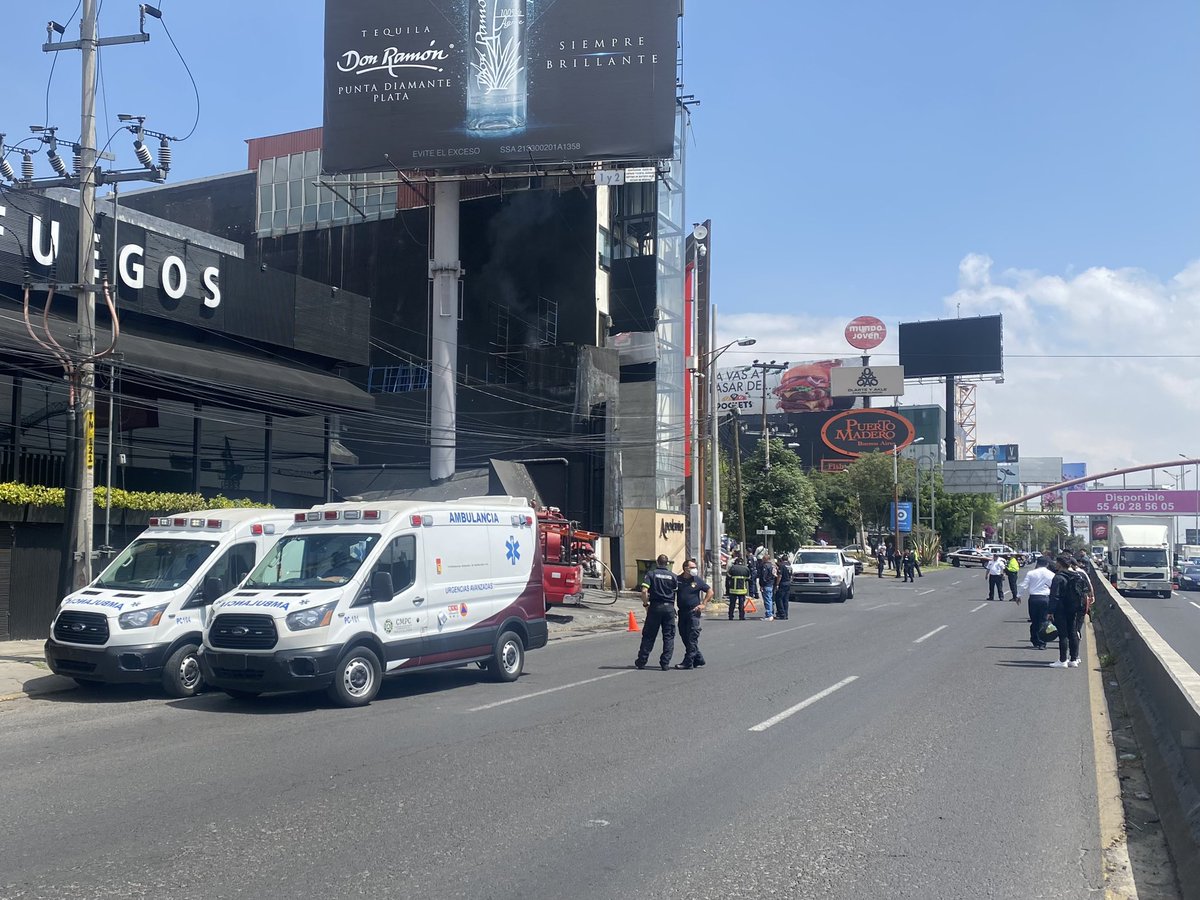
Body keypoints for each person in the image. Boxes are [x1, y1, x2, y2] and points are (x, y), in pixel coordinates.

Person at [636, 554, 678, 670]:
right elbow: (677, 590)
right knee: (668, 636)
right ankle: (665, 663)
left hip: (655, 608)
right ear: (667, 563)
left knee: (649, 635)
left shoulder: (651, 574)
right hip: (669, 608)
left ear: (657, 563)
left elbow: (644, 591)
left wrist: (645, 604)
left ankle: (642, 661)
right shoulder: (673, 576)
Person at [1048, 555, 1089, 668]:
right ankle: (1074, 659)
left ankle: (1062, 660)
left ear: (1060, 564)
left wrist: (1050, 611)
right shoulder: (1077, 576)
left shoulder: (1058, 577)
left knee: (1063, 634)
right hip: (1074, 608)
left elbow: (1054, 596)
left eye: (1057, 563)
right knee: (1073, 632)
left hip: (1061, 609)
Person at [674, 558, 711, 669]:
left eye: (695, 567)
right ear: (686, 569)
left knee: (692, 637)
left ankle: (688, 662)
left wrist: (704, 603)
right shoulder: (677, 580)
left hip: (693, 612)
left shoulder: (697, 580)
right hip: (682, 612)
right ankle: (698, 658)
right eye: (692, 567)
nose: (695, 569)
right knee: (684, 636)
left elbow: (710, 591)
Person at [1019, 557, 1056, 649]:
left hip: (1034, 598)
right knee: (1044, 621)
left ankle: (1035, 639)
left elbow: (1024, 585)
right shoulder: (1051, 574)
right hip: (1045, 598)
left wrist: (1018, 595)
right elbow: (1054, 588)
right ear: (1047, 564)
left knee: (1034, 620)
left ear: (1037, 563)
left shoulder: (1031, 573)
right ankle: (1042, 642)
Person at [725, 555, 751, 620]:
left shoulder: (732, 568)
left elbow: (728, 576)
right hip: (742, 590)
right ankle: (741, 616)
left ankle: (731, 616)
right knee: (741, 604)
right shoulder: (746, 568)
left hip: (733, 589)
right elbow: (749, 578)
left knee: (732, 604)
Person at [759, 553, 777, 620]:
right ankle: (769, 614)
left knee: (767, 600)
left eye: (763, 559)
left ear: (765, 559)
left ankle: (769, 615)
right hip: (771, 584)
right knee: (770, 599)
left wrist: (762, 585)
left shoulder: (765, 566)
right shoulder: (773, 566)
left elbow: (764, 577)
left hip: (766, 585)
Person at [775, 553, 792, 620]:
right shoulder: (789, 566)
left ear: (782, 560)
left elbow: (780, 576)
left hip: (783, 583)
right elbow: (791, 575)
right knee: (786, 599)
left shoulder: (782, 566)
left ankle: (781, 614)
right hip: (788, 583)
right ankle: (786, 614)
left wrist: (777, 584)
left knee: (779, 599)